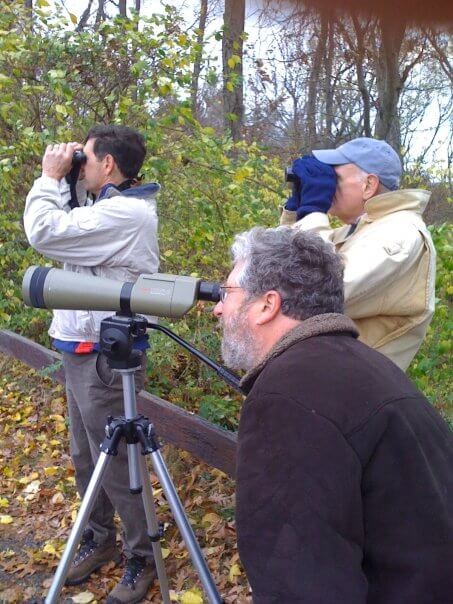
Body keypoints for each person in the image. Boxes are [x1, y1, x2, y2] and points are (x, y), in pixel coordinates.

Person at [214, 226, 453, 604]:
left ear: (266, 305)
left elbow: (298, 582)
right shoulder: (368, 367)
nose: (217, 307)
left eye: (227, 293)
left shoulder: (287, 398)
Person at [24, 125, 159, 603]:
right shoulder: (103, 206)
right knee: (86, 459)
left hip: (105, 356)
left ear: (108, 165)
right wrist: (71, 177)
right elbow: (70, 221)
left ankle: (141, 555)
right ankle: (100, 540)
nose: (80, 166)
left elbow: (45, 232)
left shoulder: (126, 212)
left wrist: (48, 176)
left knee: (118, 464)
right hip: (76, 347)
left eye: (88, 158)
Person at [280, 137, 436, 371]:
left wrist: (313, 212)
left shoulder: (400, 233)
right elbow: (280, 272)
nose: (328, 184)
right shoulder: (360, 231)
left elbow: (318, 290)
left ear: (368, 185)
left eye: (335, 176)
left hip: (353, 386)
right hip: (331, 373)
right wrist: (296, 214)